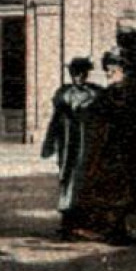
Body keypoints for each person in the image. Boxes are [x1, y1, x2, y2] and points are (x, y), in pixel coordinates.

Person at [73, 50, 136, 245]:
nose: (109, 74)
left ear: (123, 72)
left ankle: (128, 226)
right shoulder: (106, 95)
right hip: (109, 148)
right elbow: (92, 117)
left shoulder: (130, 96)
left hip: (127, 149)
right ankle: (111, 227)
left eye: (113, 71)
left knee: (129, 187)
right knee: (108, 188)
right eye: (107, 70)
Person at [40, 57, 100, 238]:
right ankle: (67, 223)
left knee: (85, 181)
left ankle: (83, 223)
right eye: (74, 74)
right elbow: (55, 122)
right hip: (67, 147)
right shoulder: (63, 95)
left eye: (82, 74)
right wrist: (49, 144)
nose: (78, 78)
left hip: (88, 146)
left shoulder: (95, 94)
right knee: (67, 180)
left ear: (86, 74)